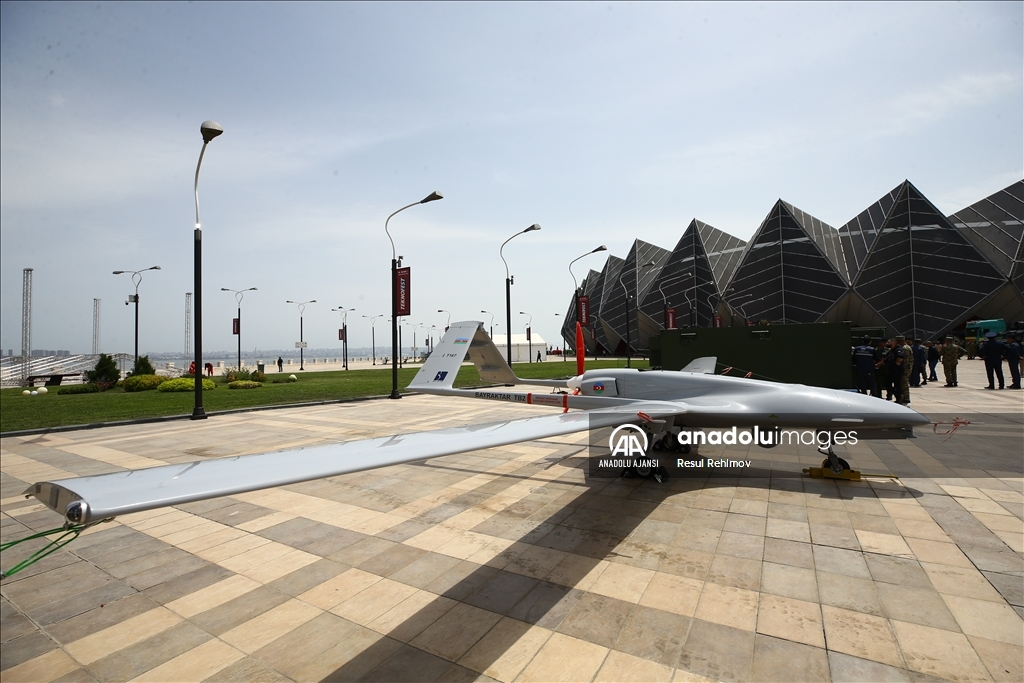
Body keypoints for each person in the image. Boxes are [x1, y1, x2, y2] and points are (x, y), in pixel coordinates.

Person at [886, 338, 905, 403]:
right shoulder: (892, 350)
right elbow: (886, 360)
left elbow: (900, 357)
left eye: (889, 342)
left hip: (897, 370)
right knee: (887, 383)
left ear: (893, 343)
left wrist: (896, 365)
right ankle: (898, 396)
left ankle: (899, 398)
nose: (887, 344)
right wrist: (877, 365)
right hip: (892, 370)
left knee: (897, 384)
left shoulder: (898, 349)